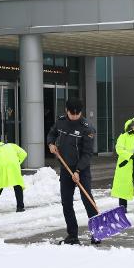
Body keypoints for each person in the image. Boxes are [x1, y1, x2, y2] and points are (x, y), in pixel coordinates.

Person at [47, 97, 98, 245]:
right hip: (65, 168)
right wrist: (51, 143)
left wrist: (78, 171)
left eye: (77, 114)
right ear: (66, 111)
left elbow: (87, 154)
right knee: (66, 202)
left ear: (81, 112)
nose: (74, 116)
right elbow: (52, 133)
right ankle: (72, 235)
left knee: (87, 200)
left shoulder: (87, 128)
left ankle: (97, 232)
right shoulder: (61, 121)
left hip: (82, 170)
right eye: (72, 113)